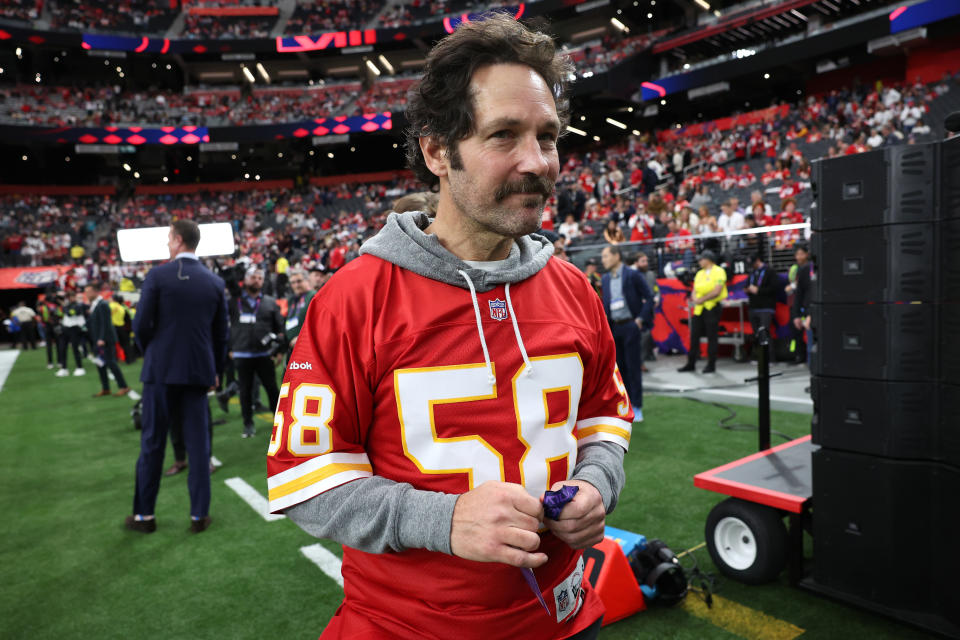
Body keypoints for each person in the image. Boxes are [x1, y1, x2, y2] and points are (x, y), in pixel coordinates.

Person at [267, 14, 630, 640]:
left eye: (547, 136)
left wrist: (597, 483)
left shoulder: (574, 287)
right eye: (504, 135)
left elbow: (604, 418)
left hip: (567, 617)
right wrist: (443, 519)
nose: (538, 162)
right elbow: (304, 479)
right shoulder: (353, 300)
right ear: (437, 151)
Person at [127, 220, 229, 534]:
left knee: (152, 444)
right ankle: (199, 515)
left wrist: (152, 351)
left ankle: (145, 516)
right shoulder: (214, 282)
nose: (167, 243)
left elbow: (141, 325)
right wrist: (216, 371)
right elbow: (220, 335)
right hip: (198, 374)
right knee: (199, 448)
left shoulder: (157, 276)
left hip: (160, 372)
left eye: (169, 238)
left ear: (178, 239)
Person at [600, 244, 654, 421]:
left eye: (606, 256)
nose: (603, 260)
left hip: (631, 325)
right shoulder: (606, 279)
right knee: (619, 369)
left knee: (633, 367)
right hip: (614, 327)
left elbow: (650, 297)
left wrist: (640, 320)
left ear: (617, 256)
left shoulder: (633, 275)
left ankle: (637, 406)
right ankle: (625, 404)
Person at [229, 266, 284, 438]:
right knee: (245, 391)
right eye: (253, 277)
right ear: (245, 280)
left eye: (260, 278)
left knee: (272, 389)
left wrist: (279, 350)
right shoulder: (234, 301)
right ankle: (248, 424)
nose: (257, 280)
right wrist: (230, 348)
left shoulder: (269, 301)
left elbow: (279, 328)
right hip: (242, 353)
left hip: (264, 354)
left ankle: (279, 424)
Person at [678, 249, 727, 373]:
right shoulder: (700, 273)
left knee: (712, 336)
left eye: (701, 259)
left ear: (708, 259)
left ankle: (711, 364)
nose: (699, 261)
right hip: (699, 309)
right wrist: (695, 299)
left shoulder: (719, 271)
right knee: (694, 336)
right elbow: (694, 290)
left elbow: (717, 290)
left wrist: (702, 299)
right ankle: (691, 363)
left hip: (712, 307)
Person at [84, 283, 131, 397]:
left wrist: (101, 338)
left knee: (111, 363)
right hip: (97, 340)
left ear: (95, 292)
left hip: (104, 340)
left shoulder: (103, 304)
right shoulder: (95, 305)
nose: (87, 294)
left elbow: (106, 324)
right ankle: (105, 388)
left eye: (89, 292)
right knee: (100, 365)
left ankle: (123, 386)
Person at [745, 252, 778, 360]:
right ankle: (760, 358)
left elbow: (774, 289)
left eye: (753, 263)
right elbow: (746, 286)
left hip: (766, 307)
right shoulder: (752, 272)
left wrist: (758, 290)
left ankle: (770, 358)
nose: (752, 266)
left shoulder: (770, 271)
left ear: (758, 260)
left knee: (765, 332)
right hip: (753, 307)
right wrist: (748, 290)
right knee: (757, 334)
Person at [283, 267, 314, 361]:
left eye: (299, 281)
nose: (296, 285)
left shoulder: (313, 296)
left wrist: (301, 338)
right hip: (292, 349)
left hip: (307, 349)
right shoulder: (292, 300)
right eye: (293, 282)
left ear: (307, 280)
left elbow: (317, 323)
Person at [791, 243, 814, 365]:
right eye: (797, 254)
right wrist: (796, 315)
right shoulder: (804, 270)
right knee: (811, 348)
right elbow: (800, 294)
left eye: (801, 253)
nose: (799, 257)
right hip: (809, 314)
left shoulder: (819, 267)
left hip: (818, 312)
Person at [635, 252, 659, 364]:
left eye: (646, 261)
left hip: (649, 309)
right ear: (636, 263)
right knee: (643, 334)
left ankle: (648, 354)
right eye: (643, 261)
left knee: (648, 332)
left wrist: (657, 298)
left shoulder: (650, 274)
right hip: (638, 310)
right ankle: (640, 361)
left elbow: (656, 289)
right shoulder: (633, 275)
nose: (646, 263)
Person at [61, 291, 88, 376]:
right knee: (62, 348)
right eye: (70, 297)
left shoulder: (79, 305)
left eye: (73, 296)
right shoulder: (67, 305)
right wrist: (69, 310)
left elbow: (72, 312)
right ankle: (64, 368)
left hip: (75, 328)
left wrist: (70, 310)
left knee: (75, 348)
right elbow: (67, 312)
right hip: (66, 328)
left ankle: (79, 367)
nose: (72, 298)